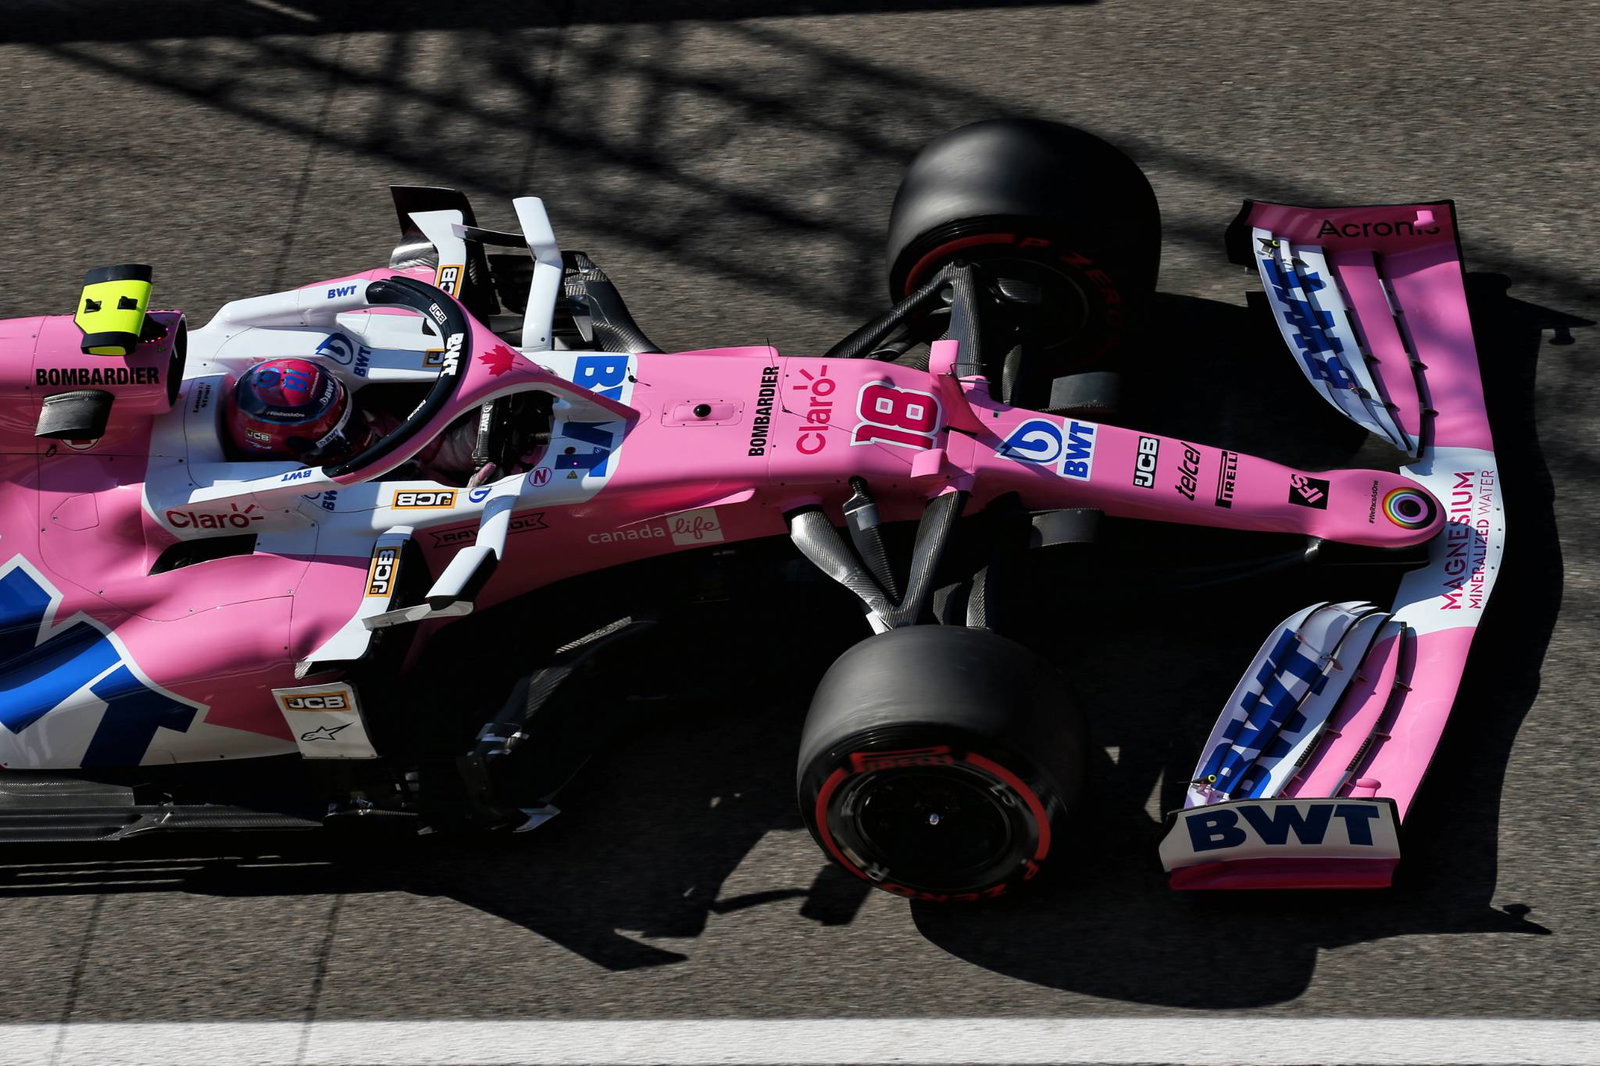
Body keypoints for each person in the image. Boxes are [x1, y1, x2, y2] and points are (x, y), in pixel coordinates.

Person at [224, 357, 482, 483]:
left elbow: (435, 451)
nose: (362, 431)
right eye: (340, 435)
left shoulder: (368, 420)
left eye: (351, 417)